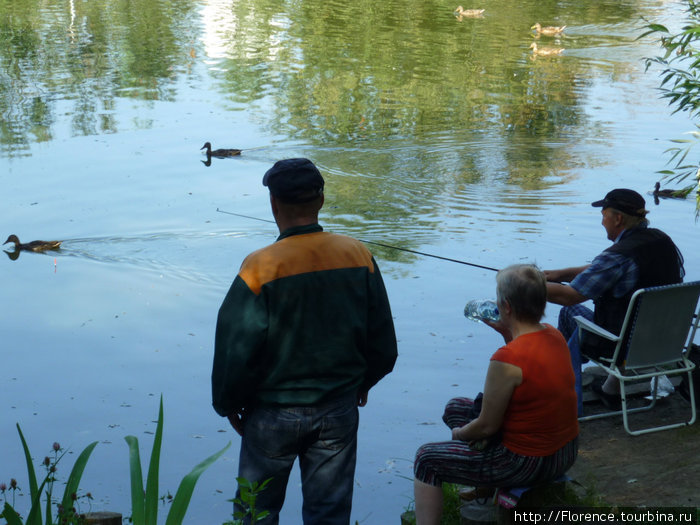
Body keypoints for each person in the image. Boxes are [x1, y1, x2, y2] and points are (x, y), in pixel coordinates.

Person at [212, 158, 398, 525]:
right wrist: (364, 381)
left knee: (254, 514)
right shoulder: (358, 255)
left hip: (271, 414)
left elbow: (235, 347)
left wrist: (228, 403)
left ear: (273, 204)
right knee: (329, 513)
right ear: (322, 200)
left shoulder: (259, 267)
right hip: (338, 409)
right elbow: (383, 343)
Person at [413, 264, 578, 525]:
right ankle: (487, 487)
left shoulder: (507, 358)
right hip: (565, 453)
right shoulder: (554, 334)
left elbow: (487, 425)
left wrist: (460, 435)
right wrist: (507, 332)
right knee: (455, 407)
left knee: (426, 459)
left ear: (507, 307)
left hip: (527, 463)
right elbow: (527, 376)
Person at [545, 189, 684, 413]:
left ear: (618, 218)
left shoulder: (617, 256)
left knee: (569, 314)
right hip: (666, 340)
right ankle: (611, 388)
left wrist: (521, 283)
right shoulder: (661, 241)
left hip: (621, 346)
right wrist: (558, 275)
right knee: (631, 319)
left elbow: (568, 296)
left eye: (604, 215)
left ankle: (562, 389)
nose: (602, 222)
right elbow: (601, 269)